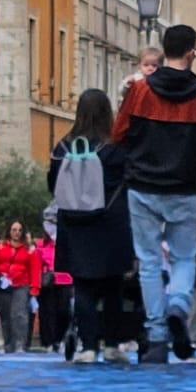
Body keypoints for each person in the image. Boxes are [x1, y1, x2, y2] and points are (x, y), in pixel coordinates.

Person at [113, 21, 196, 366]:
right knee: (184, 258)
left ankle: (157, 335)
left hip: (143, 186)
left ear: (165, 50)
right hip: (183, 188)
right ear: (192, 51)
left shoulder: (140, 91)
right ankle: (178, 303)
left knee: (148, 262)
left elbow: (119, 135)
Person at [49, 88, 134, 364]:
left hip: (74, 224)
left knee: (82, 287)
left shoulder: (62, 148)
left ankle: (88, 346)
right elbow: (128, 179)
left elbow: (52, 185)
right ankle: (111, 344)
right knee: (113, 287)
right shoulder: (113, 148)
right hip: (110, 223)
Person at [0, 219, 41, 352]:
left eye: (20, 230)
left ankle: (20, 344)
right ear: (9, 231)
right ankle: (9, 345)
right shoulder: (0, 246)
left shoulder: (30, 249)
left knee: (19, 314)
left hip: (21, 285)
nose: (17, 233)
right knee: (5, 316)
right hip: (2, 286)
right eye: (14, 230)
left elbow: (35, 269)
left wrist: (34, 288)